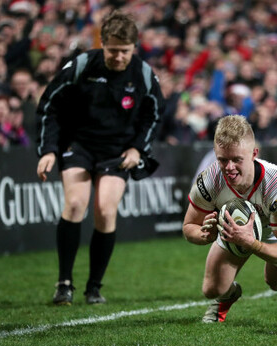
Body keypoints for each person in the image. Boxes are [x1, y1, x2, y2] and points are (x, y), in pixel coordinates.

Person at [35, 11, 165, 306]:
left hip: (116, 151)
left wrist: (137, 149)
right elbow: (49, 105)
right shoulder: (81, 66)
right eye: (113, 50)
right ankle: (64, 283)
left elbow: (154, 114)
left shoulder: (143, 74)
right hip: (78, 145)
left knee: (105, 211)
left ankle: (93, 287)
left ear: (134, 48)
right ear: (102, 44)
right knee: (75, 204)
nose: (119, 57)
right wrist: (48, 149)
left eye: (125, 51)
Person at [183, 114, 277, 323]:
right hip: (236, 228)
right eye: (222, 159)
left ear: (254, 154)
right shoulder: (209, 180)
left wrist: (251, 243)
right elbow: (189, 227)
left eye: (237, 159)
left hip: (276, 227)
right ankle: (228, 295)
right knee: (211, 289)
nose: (229, 167)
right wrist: (205, 234)